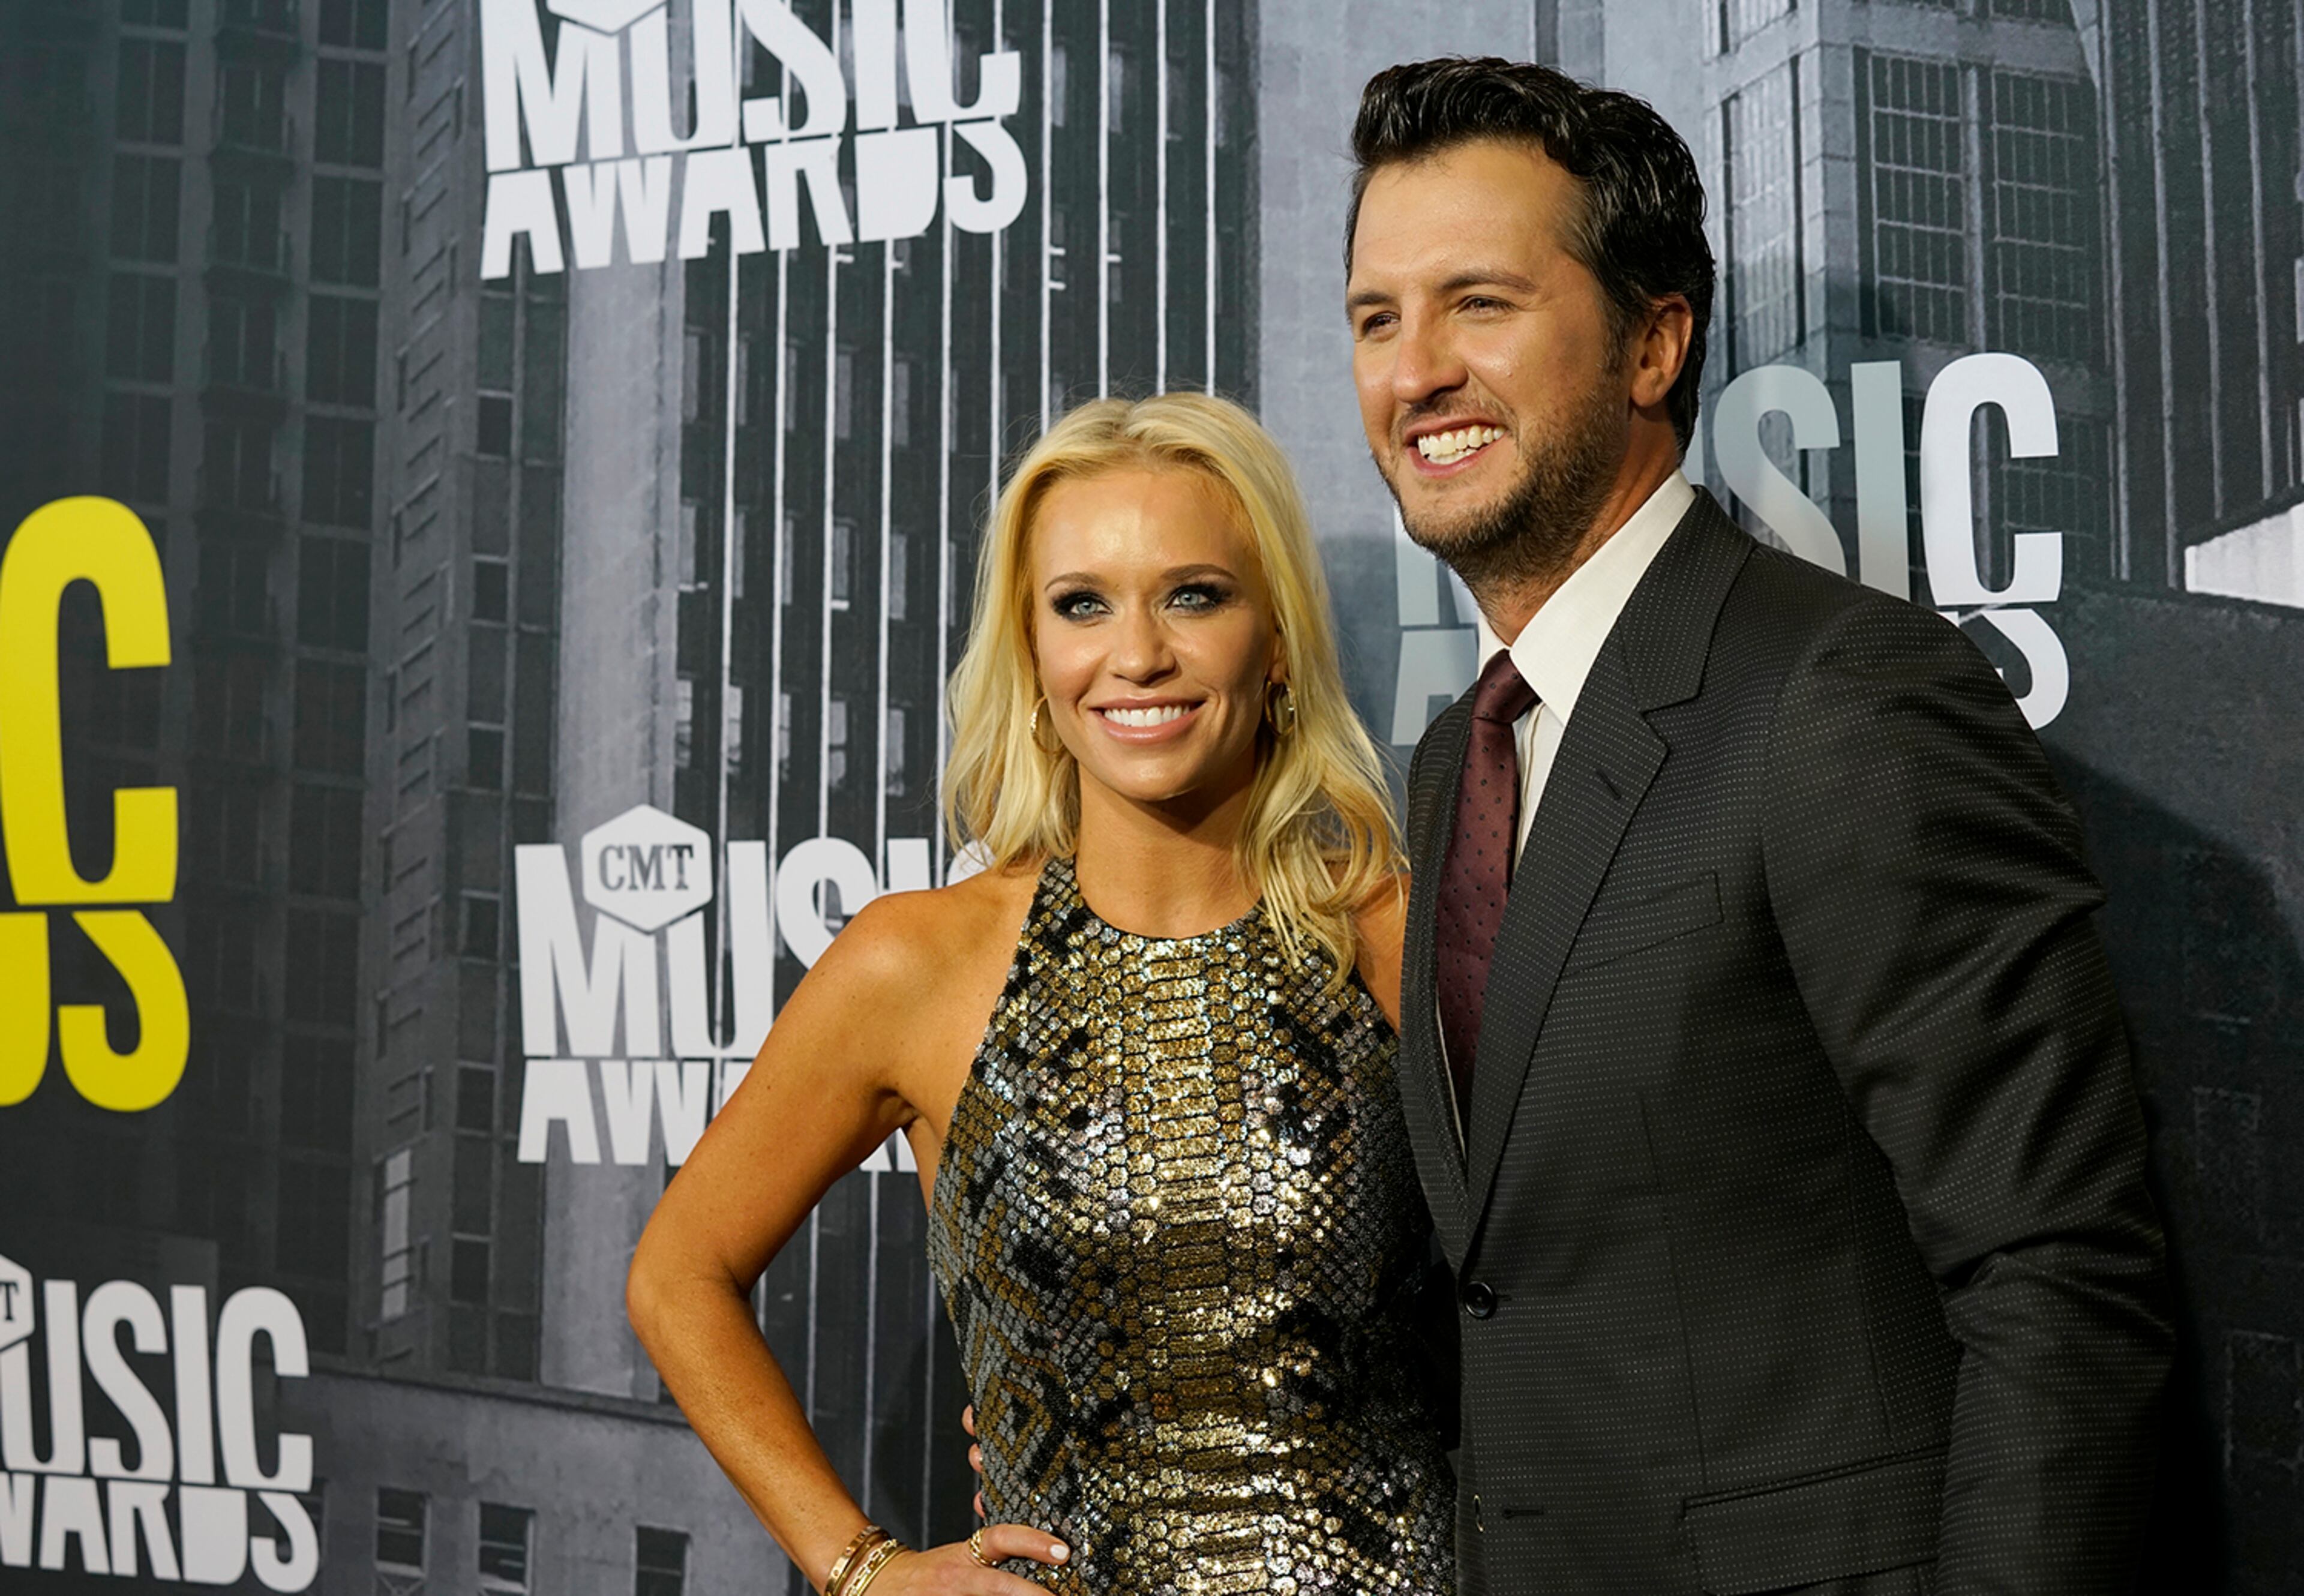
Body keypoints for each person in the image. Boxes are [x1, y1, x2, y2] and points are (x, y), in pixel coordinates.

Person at [1342, 58, 2173, 1596]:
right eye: (1377, 319)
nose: (1416, 372)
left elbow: (2060, 1278)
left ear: (1654, 342)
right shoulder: (1461, 756)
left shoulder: (1844, 697)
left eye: (1481, 304)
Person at [627, 392, 1457, 1595]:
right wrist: (861, 1569)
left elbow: (1559, 1282)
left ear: (1275, 641)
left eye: (1194, 595)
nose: (1137, 655)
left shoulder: (1392, 929)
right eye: (1083, 604)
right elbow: (675, 1273)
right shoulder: (917, 965)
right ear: (1031, 654)